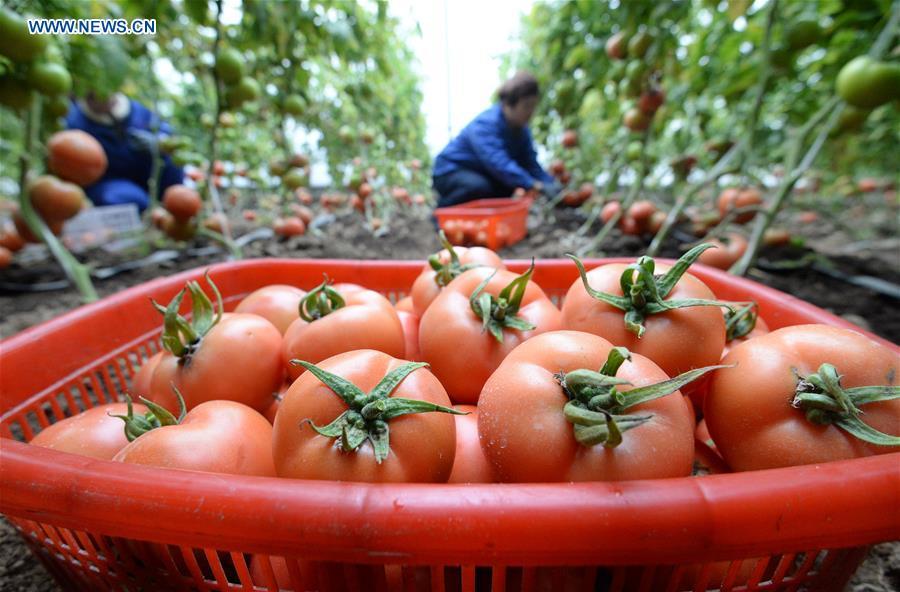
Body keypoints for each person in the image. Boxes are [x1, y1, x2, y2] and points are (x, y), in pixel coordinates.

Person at [431, 71, 558, 207]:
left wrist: (552, 185)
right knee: (478, 187)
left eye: (533, 106)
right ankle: (441, 212)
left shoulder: (522, 131)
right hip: (449, 171)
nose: (531, 112)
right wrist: (535, 185)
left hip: (478, 173)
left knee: (506, 189)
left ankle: (475, 222)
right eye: (526, 106)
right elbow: (499, 164)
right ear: (509, 104)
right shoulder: (486, 124)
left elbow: (530, 164)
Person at [65, 92, 184, 212]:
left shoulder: (137, 111)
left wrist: (158, 141)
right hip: (111, 182)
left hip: (150, 173)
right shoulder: (76, 122)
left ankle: (175, 203)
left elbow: (165, 132)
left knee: (173, 163)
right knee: (125, 198)